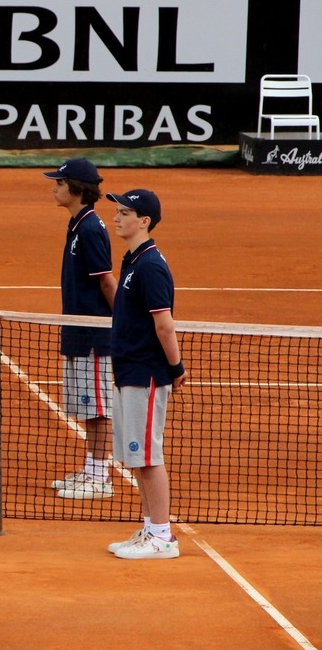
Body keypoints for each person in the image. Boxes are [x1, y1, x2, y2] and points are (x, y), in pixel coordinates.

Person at [105, 188, 186, 560]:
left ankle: (162, 537)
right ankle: (151, 528)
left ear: (144, 222)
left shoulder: (151, 266)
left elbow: (165, 326)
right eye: (118, 211)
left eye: (124, 212)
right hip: (128, 372)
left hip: (146, 374)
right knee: (137, 457)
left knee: (149, 457)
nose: (117, 218)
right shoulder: (134, 260)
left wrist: (175, 368)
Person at [43, 158, 116, 501]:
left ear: (76, 189)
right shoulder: (77, 224)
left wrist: (125, 323)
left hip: (95, 336)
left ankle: (101, 477)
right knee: (87, 406)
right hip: (77, 332)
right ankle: (90, 468)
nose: (54, 187)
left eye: (59, 182)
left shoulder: (90, 228)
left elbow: (106, 282)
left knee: (98, 409)